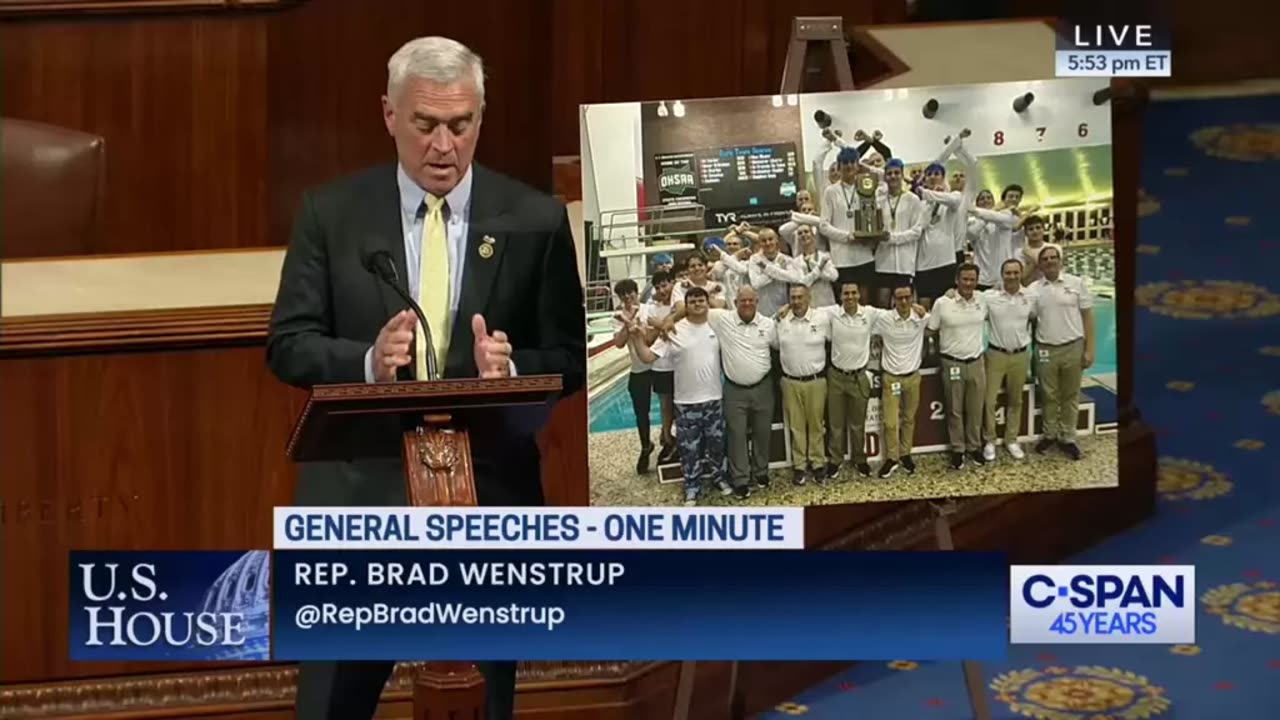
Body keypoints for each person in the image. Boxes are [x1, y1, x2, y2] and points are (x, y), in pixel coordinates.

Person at [266, 36, 585, 720]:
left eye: (460, 125)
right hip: (359, 491)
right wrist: (366, 363)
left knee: (481, 702)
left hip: (489, 491)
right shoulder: (331, 213)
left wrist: (514, 366)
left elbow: (569, 357)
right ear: (389, 115)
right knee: (331, 704)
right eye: (425, 125)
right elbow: (288, 345)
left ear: (481, 118)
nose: (444, 145)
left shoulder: (533, 219)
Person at [630, 287, 728, 505]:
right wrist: (637, 338)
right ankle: (692, 487)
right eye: (692, 301)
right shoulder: (673, 330)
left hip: (714, 399)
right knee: (689, 449)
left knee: (717, 445)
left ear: (706, 302)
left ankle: (718, 478)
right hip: (685, 403)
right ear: (686, 305)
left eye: (700, 300)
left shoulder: (717, 325)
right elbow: (647, 357)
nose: (697, 304)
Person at [1029, 245, 1094, 460]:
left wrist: (1089, 349)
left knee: (1070, 395)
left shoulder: (1076, 284)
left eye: (1053, 257)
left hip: (1072, 346)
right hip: (1046, 348)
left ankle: (1068, 437)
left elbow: (1087, 317)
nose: (1049, 261)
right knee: (1049, 395)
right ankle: (1049, 434)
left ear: (1059, 260)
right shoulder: (1034, 289)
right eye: (1045, 258)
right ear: (1040, 264)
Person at [926, 264, 988, 469]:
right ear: (957, 280)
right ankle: (958, 449)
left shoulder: (983, 300)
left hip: (976, 362)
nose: (968, 283)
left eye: (972, 279)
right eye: (965, 279)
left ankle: (974, 447)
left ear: (977, 281)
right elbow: (931, 330)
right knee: (954, 409)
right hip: (952, 363)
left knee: (975, 409)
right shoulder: (943, 303)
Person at [981, 258, 1037, 461]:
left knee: (1016, 399)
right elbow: (967, 297)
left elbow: (1036, 319)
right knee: (989, 400)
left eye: (1015, 272)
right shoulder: (990, 297)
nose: (1012, 276)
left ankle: (1011, 439)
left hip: (1021, 355)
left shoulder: (1030, 297)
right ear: (1002, 275)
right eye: (1008, 273)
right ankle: (990, 440)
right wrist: (951, 292)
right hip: (995, 354)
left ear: (1020, 274)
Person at [775, 285, 829, 484]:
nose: (796, 301)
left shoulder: (822, 318)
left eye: (800, 297)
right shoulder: (781, 321)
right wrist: (779, 312)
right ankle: (799, 465)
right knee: (796, 426)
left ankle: (817, 463)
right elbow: (772, 342)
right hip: (790, 382)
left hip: (816, 381)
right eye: (793, 297)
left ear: (809, 298)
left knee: (816, 425)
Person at [873, 283, 929, 478]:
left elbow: (936, 318)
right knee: (890, 422)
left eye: (907, 297)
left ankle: (905, 454)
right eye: (899, 298)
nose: (904, 301)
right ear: (893, 300)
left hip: (913, 377)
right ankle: (892, 457)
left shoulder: (921, 318)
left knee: (908, 419)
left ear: (912, 298)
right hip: (891, 379)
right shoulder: (884, 320)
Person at [611, 279, 658, 473]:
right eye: (624, 295)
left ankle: (669, 441)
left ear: (636, 293)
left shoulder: (649, 310)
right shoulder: (617, 316)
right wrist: (626, 324)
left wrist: (638, 325)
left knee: (668, 406)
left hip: (657, 366)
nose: (628, 297)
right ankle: (646, 445)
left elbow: (651, 337)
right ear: (620, 298)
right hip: (638, 370)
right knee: (641, 412)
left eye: (631, 293)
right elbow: (619, 343)